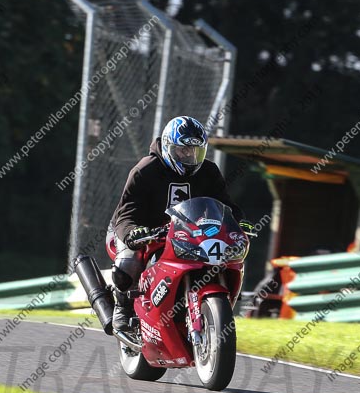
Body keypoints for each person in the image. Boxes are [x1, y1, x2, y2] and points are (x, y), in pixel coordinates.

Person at [107, 115, 253, 331]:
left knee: (215, 257)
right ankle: (123, 309)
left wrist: (238, 223)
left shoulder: (209, 171)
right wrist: (132, 232)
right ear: (168, 147)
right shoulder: (144, 170)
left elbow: (225, 204)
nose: (189, 156)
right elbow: (127, 211)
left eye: (195, 151)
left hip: (186, 231)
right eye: (182, 150)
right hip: (137, 228)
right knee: (129, 261)